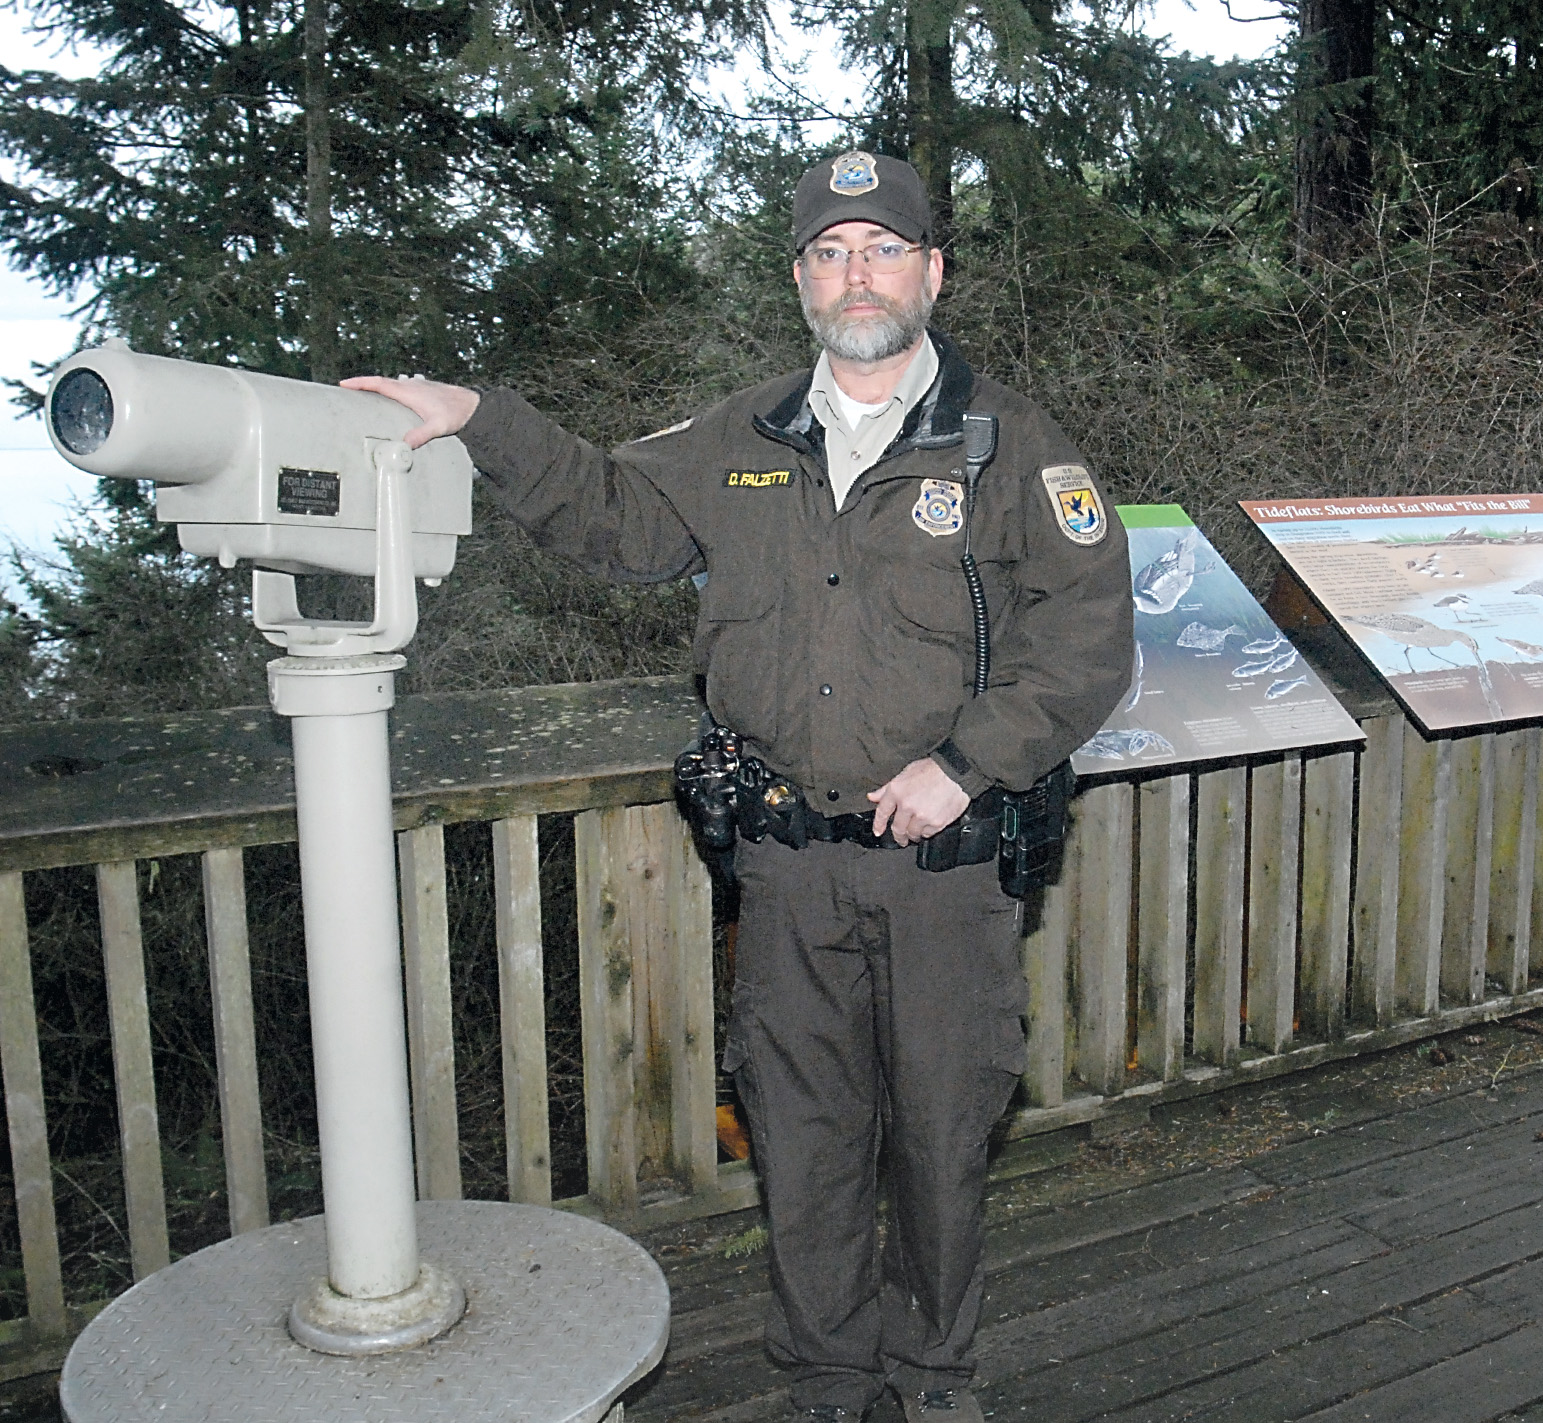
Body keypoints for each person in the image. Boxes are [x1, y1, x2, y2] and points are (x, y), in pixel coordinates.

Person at [348, 151, 1134, 1423]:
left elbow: (1090, 634)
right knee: (806, 1135)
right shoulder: (742, 435)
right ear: (799, 281)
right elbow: (614, 516)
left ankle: (933, 1375)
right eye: (829, 253)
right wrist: (483, 417)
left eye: (882, 249)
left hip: (946, 866)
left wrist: (965, 764)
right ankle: (826, 1373)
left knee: (941, 1136)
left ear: (933, 272)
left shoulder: (1012, 444)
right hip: (780, 865)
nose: (855, 275)